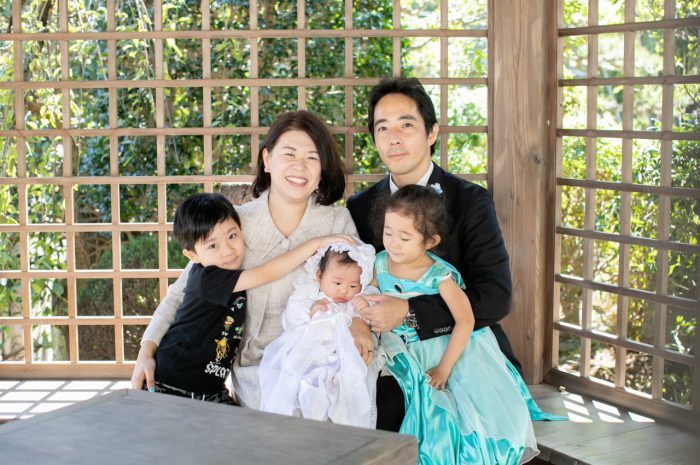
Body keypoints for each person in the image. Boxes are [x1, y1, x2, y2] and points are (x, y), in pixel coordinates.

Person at [131, 111, 375, 408]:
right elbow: (181, 293)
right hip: (255, 368)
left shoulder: (337, 221)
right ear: (267, 160)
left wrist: (360, 325)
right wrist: (147, 349)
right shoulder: (234, 225)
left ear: (322, 168)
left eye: (312, 157)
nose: (300, 166)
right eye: (289, 154)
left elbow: (366, 284)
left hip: (322, 361)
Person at [346, 77, 517, 431]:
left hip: (465, 353)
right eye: (383, 128)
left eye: (406, 125)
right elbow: (354, 285)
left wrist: (409, 313)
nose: (394, 138)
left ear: (431, 132)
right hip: (389, 353)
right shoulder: (360, 207)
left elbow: (496, 298)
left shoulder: (471, 201)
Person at [366, 184, 539, 464]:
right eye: (388, 232)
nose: (393, 243)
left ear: (430, 242)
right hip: (398, 345)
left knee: (451, 414)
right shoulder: (380, 262)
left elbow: (465, 320)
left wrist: (445, 367)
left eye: (404, 237)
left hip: (441, 347)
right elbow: (367, 295)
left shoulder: (439, 275)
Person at [151, 192, 353, 404]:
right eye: (213, 245)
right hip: (175, 380)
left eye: (232, 236)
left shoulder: (228, 272)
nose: (228, 250)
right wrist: (316, 243)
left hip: (210, 385)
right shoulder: (208, 279)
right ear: (192, 256)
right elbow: (268, 273)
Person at [259, 242, 380, 428]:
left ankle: (339, 420)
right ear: (319, 276)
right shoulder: (310, 296)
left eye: (353, 285)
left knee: (345, 386)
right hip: (309, 350)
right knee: (302, 379)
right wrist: (311, 311)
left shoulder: (355, 302)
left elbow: (371, 323)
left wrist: (363, 311)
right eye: (337, 283)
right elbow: (291, 320)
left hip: (342, 357)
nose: (344, 290)